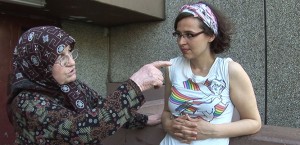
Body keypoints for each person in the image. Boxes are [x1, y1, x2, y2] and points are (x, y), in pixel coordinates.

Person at [6, 26, 171, 144]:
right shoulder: (26, 103)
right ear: (39, 63)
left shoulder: (68, 85)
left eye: (69, 52)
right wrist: (136, 84)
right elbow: (83, 130)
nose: (71, 62)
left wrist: (142, 120)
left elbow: (101, 107)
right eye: (60, 57)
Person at [160, 1, 261, 145]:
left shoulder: (229, 70)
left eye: (189, 35)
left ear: (211, 35)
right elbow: (166, 112)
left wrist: (211, 131)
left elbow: (254, 122)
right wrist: (168, 125)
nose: (181, 42)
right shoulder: (172, 67)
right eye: (178, 34)